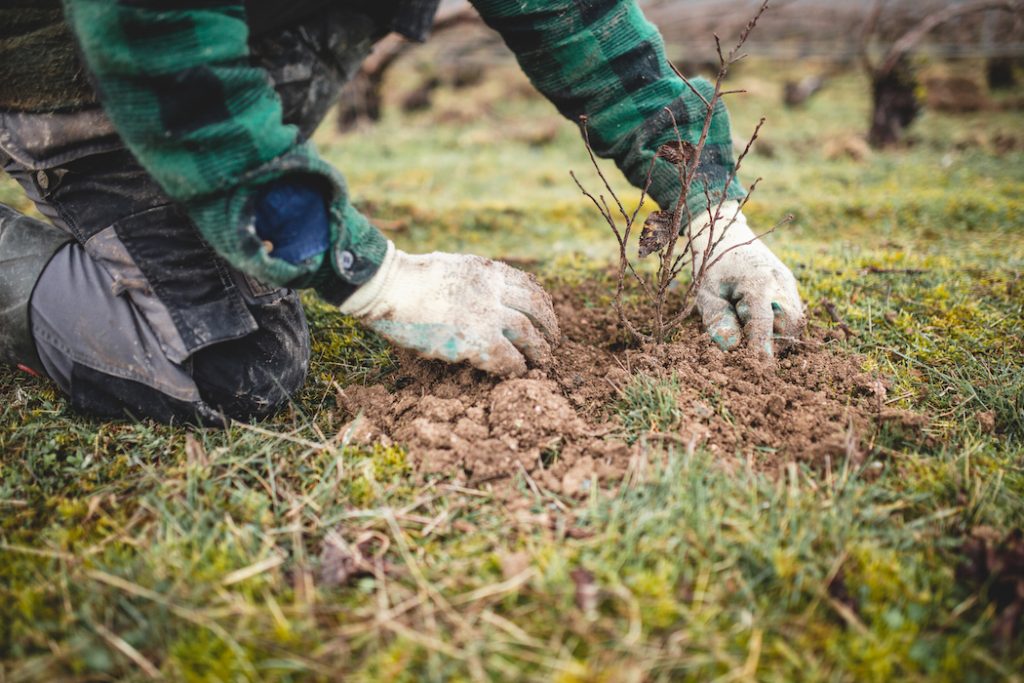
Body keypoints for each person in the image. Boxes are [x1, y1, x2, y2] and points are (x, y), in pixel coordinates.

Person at [0, 0, 804, 425]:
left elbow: (573, 12)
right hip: (89, 88)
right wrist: (380, 279)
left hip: (240, 66)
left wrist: (706, 205)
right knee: (229, 365)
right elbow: (161, 50)